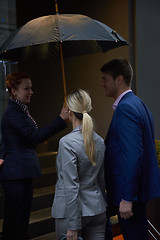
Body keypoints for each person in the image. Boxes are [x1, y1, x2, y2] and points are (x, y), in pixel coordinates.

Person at [0, 72, 69, 240]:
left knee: (20, 222)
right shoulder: (14, 112)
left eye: (31, 88)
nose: (31, 92)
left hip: (22, 172)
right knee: (15, 223)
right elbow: (35, 137)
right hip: (16, 174)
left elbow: (9, 138)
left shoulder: (21, 110)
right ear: (14, 91)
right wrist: (60, 119)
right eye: (26, 88)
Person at [100, 58, 160, 240]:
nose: (102, 84)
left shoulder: (125, 108)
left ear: (119, 79)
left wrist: (127, 198)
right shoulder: (139, 104)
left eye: (105, 79)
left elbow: (134, 155)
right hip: (138, 192)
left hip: (129, 196)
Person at [51, 89, 106, 240]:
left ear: (69, 111)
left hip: (71, 215)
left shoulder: (66, 142)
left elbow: (71, 185)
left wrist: (74, 225)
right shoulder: (99, 141)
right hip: (97, 209)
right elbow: (101, 179)